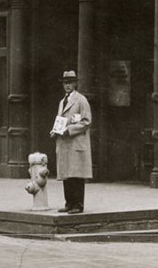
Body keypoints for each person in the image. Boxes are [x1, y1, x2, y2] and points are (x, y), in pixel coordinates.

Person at [51, 68, 92, 213]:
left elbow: (87, 121)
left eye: (70, 82)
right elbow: (61, 119)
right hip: (64, 142)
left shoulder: (81, 100)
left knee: (76, 175)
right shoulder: (62, 101)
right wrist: (55, 130)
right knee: (66, 174)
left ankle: (78, 205)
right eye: (65, 83)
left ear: (75, 84)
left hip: (76, 142)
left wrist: (70, 129)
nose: (67, 85)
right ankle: (69, 203)